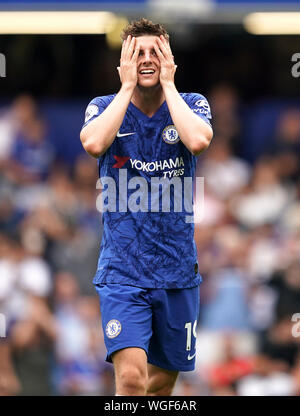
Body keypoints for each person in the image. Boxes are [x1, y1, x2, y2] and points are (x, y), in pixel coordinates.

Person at [80, 18, 213, 396]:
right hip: (123, 272)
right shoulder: (104, 106)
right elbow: (92, 143)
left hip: (177, 273)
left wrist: (169, 85)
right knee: (132, 379)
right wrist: (125, 87)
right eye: (137, 53)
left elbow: (199, 140)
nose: (147, 59)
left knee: (158, 387)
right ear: (123, 62)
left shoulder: (191, 104)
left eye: (156, 51)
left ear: (170, 59)